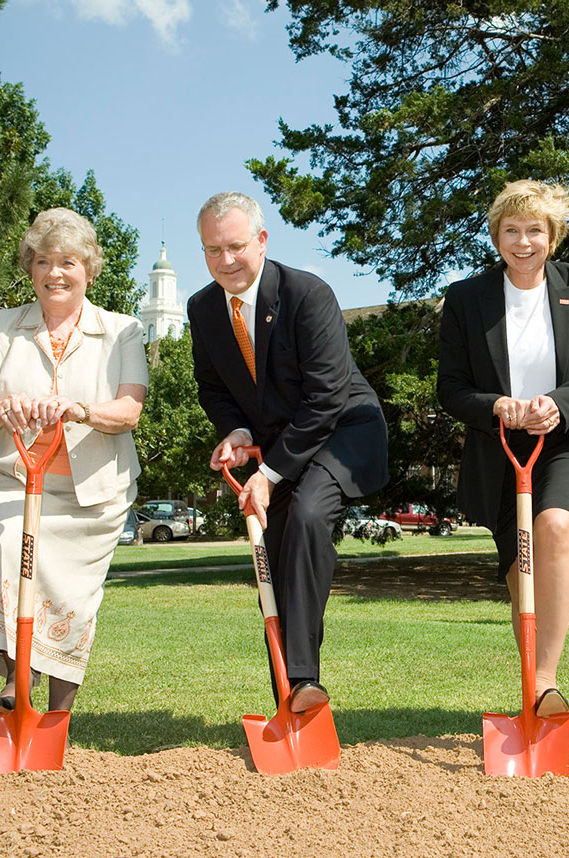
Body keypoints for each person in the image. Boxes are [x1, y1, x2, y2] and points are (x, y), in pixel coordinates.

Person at [188, 191, 388, 714]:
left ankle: (302, 682)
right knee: (272, 560)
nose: (225, 261)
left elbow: (325, 398)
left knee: (305, 515)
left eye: (235, 246)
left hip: (345, 431)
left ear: (261, 240)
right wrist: (233, 430)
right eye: (212, 250)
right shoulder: (203, 308)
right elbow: (214, 387)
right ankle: (289, 695)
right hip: (283, 443)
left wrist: (270, 474)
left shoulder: (307, 294)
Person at [437, 179, 569, 716]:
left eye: (535, 231)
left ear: (554, 236)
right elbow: (450, 387)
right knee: (520, 566)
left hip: (567, 438)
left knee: (556, 527)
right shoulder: (467, 298)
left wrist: (558, 403)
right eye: (511, 230)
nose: (523, 242)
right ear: (496, 236)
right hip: (500, 449)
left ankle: (545, 683)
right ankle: (529, 679)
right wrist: (497, 404)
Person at [0, 207, 148, 713]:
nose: (55, 273)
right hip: (13, 480)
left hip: (94, 491)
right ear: (30, 268)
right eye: (43, 261)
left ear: (88, 267)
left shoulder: (122, 330)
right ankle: (14, 689)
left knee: (72, 595)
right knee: (7, 545)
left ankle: (59, 712)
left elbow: (129, 410)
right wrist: (5, 408)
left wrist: (80, 409)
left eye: (68, 261)